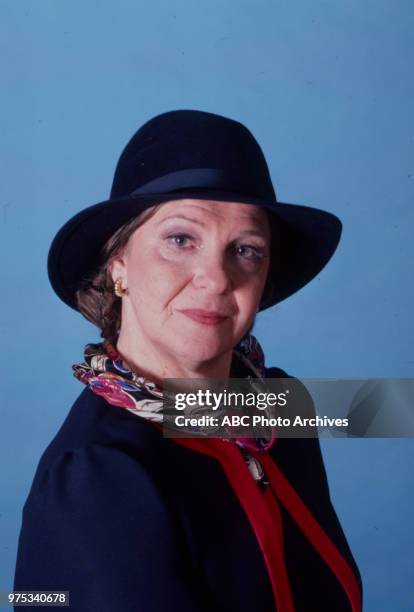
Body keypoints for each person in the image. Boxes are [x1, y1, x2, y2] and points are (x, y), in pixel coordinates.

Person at [14, 110, 362, 611]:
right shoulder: (98, 473)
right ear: (119, 267)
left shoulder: (273, 407)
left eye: (246, 249)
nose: (217, 279)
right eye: (181, 240)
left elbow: (376, 408)